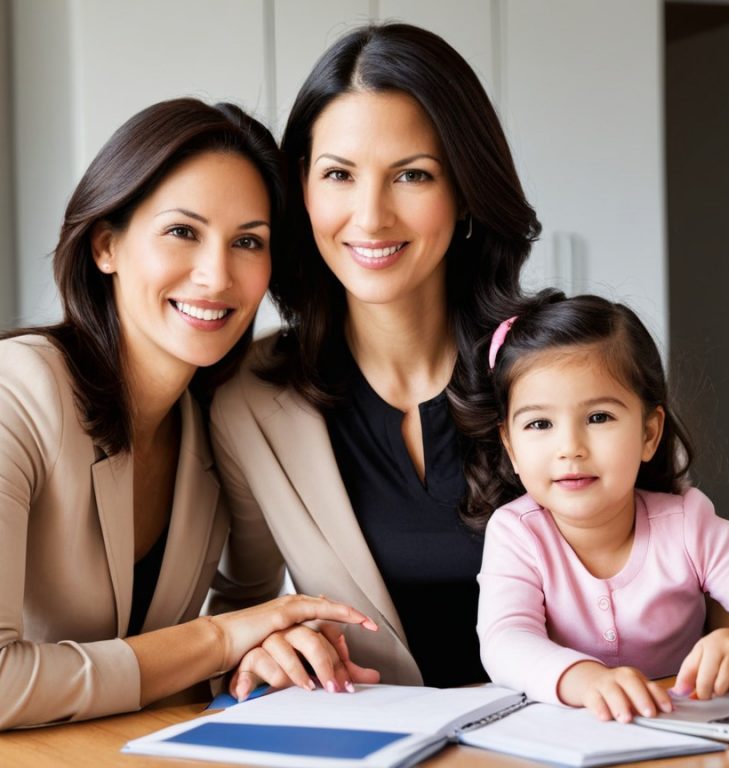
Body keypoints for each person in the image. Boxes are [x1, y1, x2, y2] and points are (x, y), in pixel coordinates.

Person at [0, 98, 379, 742]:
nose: (216, 274)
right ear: (106, 244)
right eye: (183, 231)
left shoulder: (216, 427)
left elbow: (245, 617)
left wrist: (255, 651)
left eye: (248, 242)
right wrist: (218, 639)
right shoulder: (8, 390)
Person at [210, 22, 542, 695]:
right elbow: (241, 613)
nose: (370, 216)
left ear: (466, 190)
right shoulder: (250, 400)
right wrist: (271, 647)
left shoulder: (558, 361)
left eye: (413, 175)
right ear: (301, 192)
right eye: (338, 174)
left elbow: (685, 566)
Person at [470, 289, 729, 723]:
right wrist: (584, 679)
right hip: (564, 741)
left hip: (686, 737)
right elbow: (504, 641)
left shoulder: (687, 523)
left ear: (649, 433)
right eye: (539, 423)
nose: (570, 448)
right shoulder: (517, 532)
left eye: (598, 417)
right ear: (510, 444)